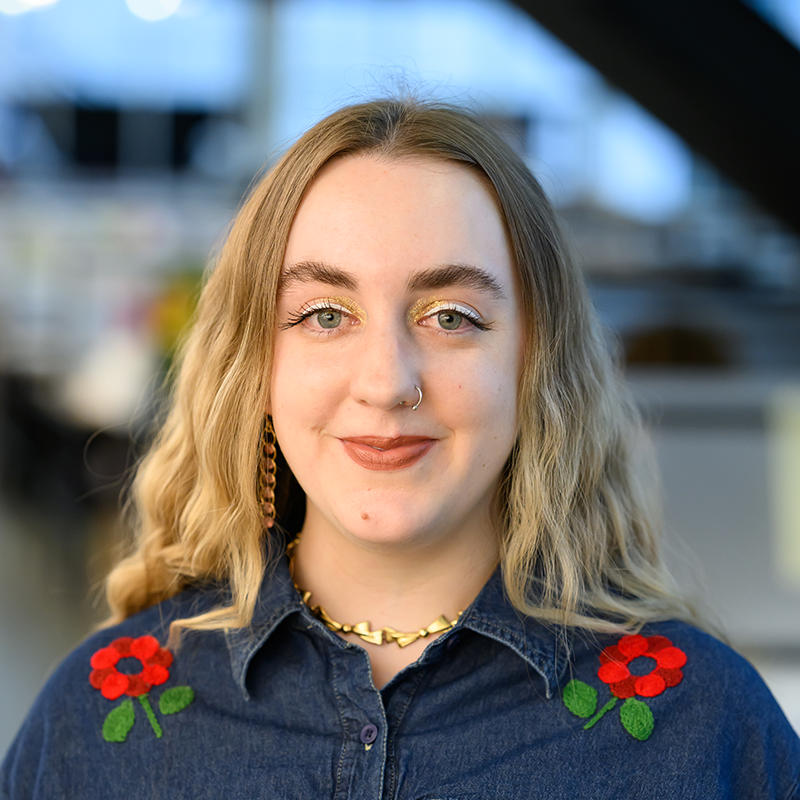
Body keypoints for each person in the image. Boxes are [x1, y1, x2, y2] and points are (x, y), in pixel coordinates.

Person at [2, 98, 798, 799]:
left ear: (536, 364)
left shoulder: (706, 727)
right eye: (324, 314)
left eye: (451, 316)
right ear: (256, 366)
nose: (386, 383)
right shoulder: (98, 721)